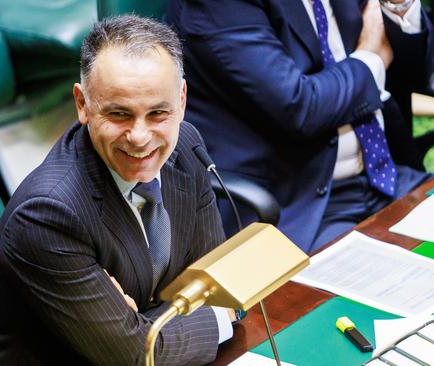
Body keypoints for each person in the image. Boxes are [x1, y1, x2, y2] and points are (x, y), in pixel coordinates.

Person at [0, 15, 235, 365]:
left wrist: (138, 325)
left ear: (181, 101)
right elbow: (134, 357)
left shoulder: (185, 147)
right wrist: (217, 317)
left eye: (157, 113)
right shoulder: (47, 215)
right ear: (82, 104)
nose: (140, 137)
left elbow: (215, 287)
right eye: (120, 114)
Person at [166, 0, 433, 252]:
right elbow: (300, 108)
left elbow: (409, 77)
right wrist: (370, 58)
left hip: (385, 178)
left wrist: (399, 7)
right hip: (297, 204)